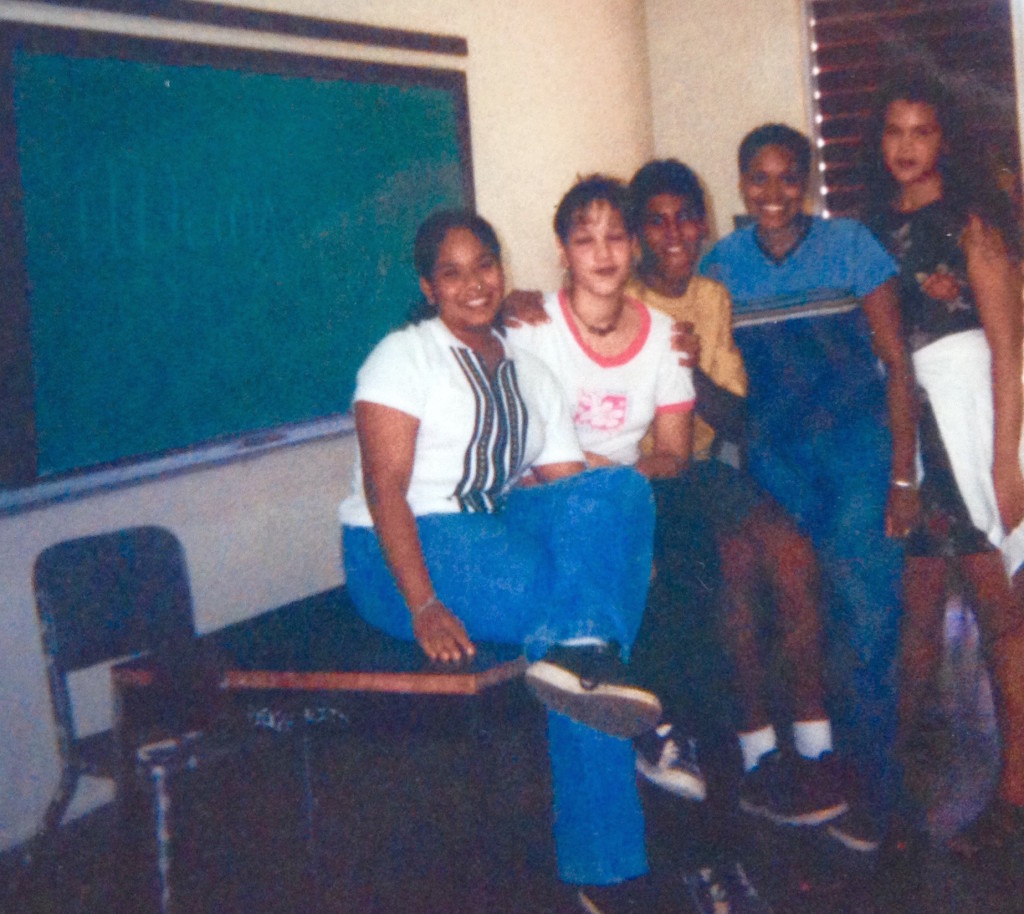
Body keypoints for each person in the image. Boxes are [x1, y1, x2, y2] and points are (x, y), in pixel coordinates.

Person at [338, 209, 678, 912]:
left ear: (504, 268)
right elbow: (383, 492)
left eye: (485, 265)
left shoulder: (530, 369)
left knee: (618, 487)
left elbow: (571, 491)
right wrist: (424, 604)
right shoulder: (401, 357)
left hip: (489, 531)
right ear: (429, 287)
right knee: (571, 625)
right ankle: (605, 870)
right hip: (400, 547)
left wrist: (619, 547)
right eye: (453, 272)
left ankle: (590, 658)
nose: (474, 284)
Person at [506, 174, 778, 913]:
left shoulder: (664, 336)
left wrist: (618, 489)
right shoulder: (529, 330)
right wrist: (614, 487)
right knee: (661, 606)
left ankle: (693, 814)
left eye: (615, 235)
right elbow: (534, 458)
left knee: (687, 576)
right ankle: (688, 822)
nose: (602, 251)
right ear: (563, 250)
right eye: (584, 237)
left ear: (632, 247)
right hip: (552, 507)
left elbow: (675, 454)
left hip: (638, 501)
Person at [699, 124, 919, 847]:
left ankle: (878, 798)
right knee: (799, 614)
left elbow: (896, 362)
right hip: (775, 461)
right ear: (740, 185)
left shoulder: (852, 245)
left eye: (788, 177)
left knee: (866, 620)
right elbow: (706, 362)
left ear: (809, 183)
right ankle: (815, 778)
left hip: (858, 453)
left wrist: (902, 473)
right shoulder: (721, 265)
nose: (774, 193)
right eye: (758, 178)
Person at [860, 74, 1024, 856]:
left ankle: (1016, 794)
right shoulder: (862, 232)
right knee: (916, 619)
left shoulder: (970, 222)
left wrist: (1004, 463)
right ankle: (900, 797)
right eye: (895, 130)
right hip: (907, 442)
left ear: (944, 141)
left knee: (1000, 620)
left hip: (969, 431)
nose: (906, 147)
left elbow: (1008, 350)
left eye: (921, 132)